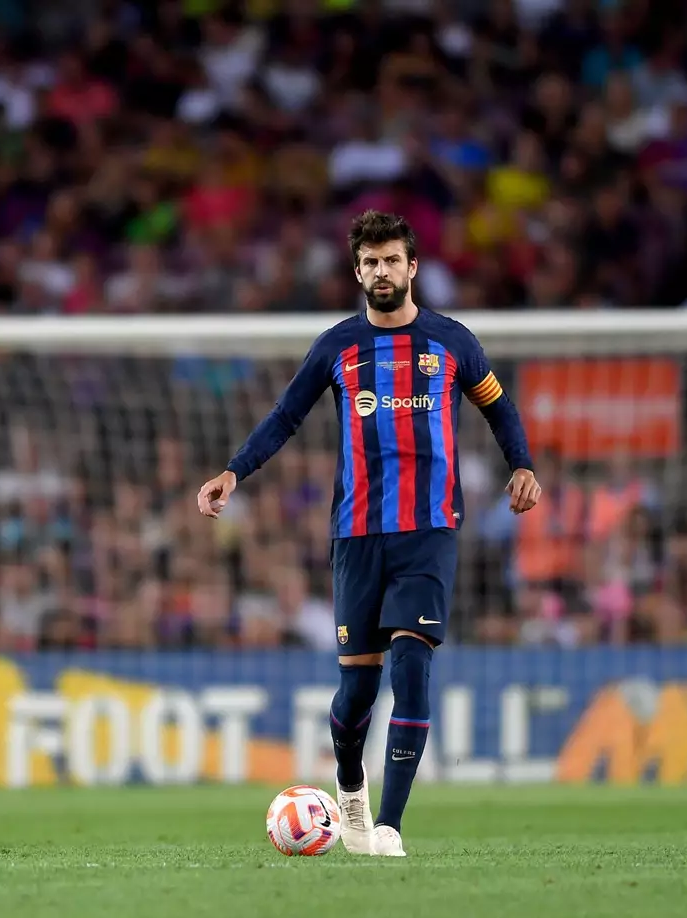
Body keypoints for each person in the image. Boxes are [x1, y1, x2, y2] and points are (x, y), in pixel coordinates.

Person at [196, 211, 541, 856]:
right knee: (358, 688)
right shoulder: (337, 347)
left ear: (413, 267)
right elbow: (285, 416)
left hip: (428, 530)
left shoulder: (453, 342)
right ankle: (349, 786)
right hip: (356, 535)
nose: (382, 271)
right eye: (370, 262)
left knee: (412, 666)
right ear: (358, 272)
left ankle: (390, 826)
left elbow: (498, 406)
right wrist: (233, 472)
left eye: (392, 260)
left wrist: (521, 464)